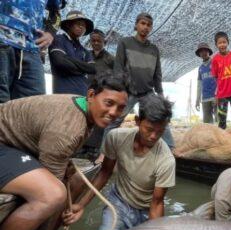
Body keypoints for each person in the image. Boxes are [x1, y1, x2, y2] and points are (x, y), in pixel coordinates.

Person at [0, 71, 128, 230]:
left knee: (75, 179)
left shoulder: (82, 109)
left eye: (120, 108)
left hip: (16, 147)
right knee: (52, 194)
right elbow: (54, 184)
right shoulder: (67, 130)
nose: (113, 112)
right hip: (3, 145)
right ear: (91, 95)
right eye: (108, 103)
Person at [63, 94, 175, 230]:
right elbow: (104, 173)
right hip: (119, 203)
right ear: (138, 121)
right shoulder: (116, 138)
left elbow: (157, 203)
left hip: (147, 210)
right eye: (149, 129)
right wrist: (81, 204)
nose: (154, 136)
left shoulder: (166, 160)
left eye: (160, 131)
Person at [104, 12, 174, 149]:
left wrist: (160, 94)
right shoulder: (125, 42)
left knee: (160, 117)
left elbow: (157, 75)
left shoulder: (154, 49)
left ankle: (170, 149)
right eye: (142, 23)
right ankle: (104, 153)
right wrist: (119, 91)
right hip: (128, 91)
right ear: (136, 25)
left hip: (147, 92)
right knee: (114, 120)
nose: (145, 27)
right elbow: (118, 68)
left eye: (149, 25)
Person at [0, 0, 63, 103]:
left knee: (33, 105)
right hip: (2, 41)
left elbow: (57, 14)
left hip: (31, 49)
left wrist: (50, 33)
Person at [79, 28, 116, 161]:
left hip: (102, 94)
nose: (95, 43)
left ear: (104, 42)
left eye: (98, 41)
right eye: (93, 40)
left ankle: (94, 149)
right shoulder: (86, 55)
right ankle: (81, 145)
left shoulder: (110, 59)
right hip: (86, 92)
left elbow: (117, 76)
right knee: (84, 118)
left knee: (99, 120)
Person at [48, 10, 96, 96]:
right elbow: (60, 62)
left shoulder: (85, 51)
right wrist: (83, 69)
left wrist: (67, 58)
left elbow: (92, 68)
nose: (82, 27)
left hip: (83, 95)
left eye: (84, 25)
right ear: (68, 25)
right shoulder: (58, 39)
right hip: (63, 94)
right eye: (78, 24)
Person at [211, 31, 231, 130]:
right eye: (219, 43)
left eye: (224, 42)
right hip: (222, 93)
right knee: (222, 118)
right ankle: (222, 136)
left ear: (228, 42)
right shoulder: (215, 59)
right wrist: (217, 93)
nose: (222, 45)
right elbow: (215, 77)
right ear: (216, 45)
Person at [195, 42, 216, 124]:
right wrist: (197, 99)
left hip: (216, 97)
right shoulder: (200, 68)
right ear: (199, 54)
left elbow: (220, 79)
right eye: (201, 51)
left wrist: (218, 95)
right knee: (207, 124)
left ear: (209, 52)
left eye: (205, 51)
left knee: (220, 121)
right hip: (205, 98)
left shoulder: (215, 62)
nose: (203, 53)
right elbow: (199, 84)